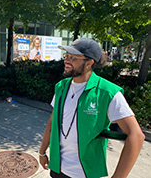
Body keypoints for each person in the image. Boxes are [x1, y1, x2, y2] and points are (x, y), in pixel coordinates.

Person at [39, 38, 145, 178]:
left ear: (89, 63)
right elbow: (53, 122)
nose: (66, 60)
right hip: (57, 169)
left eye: (73, 57)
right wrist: (42, 152)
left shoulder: (107, 92)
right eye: (66, 56)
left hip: (86, 173)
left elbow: (137, 136)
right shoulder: (61, 87)